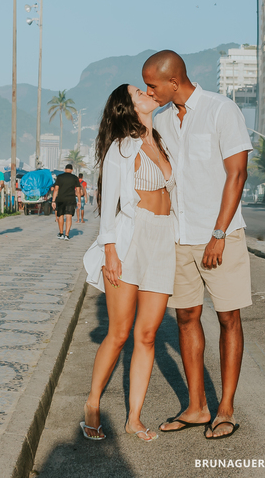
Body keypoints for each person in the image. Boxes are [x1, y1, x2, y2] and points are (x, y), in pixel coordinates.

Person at [144, 50, 251, 441]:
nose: (149, 91)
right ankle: (196, 406)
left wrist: (218, 234)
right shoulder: (161, 120)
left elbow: (236, 174)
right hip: (179, 236)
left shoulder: (222, 111)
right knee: (185, 318)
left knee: (227, 318)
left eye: (153, 85)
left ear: (174, 82)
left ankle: (225, 409)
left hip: (219, 236)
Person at [81, 84, 177, 442]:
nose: (148, 92)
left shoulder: (162, 139)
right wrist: (110, 252)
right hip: (130, 241)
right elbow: (109, 206)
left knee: (148, 334)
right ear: (127, 107)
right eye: (139, 92)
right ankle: (93, 403)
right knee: (120, 333)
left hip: (163, 240)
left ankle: (134, 418)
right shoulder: (122, 148)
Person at [52, 163, 81, 240]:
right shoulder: (75, 178)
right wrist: (79, 201)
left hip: (61, 199)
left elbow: (56, 189)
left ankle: (61, 233)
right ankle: (67, 235)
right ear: (72, 170)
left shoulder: (60, 177)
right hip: (71, 200)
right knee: (69, 216)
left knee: (60, 216)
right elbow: (78, 191)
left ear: (65, 169)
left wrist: (53, 200)